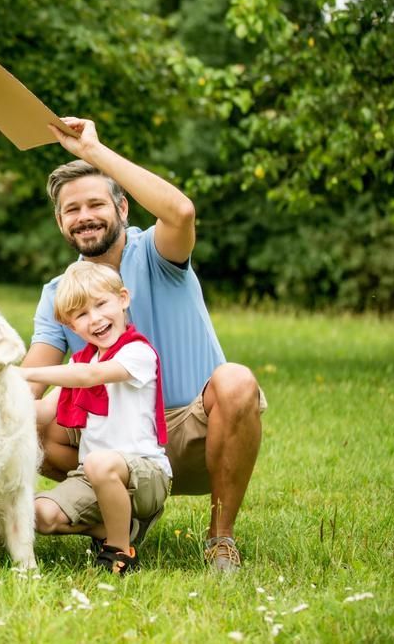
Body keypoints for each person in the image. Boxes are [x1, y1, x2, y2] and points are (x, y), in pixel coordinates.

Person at [23, 116, 267, 571]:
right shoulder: (61, 291)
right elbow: (29, 386)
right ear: (60, 221)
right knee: (28, 423)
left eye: (96, 204)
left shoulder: (158, 253)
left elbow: (182, 212)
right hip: (112, 441)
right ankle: (116, 521)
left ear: (123, 210)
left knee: (236, 381)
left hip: (192, 429)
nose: (84, 217)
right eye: (71, 210)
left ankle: (221, 538)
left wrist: (92, 152)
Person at [19, 261, 170, 575]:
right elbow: (44, 411)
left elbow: (89, 376)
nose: (96, 318)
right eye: (82, 315)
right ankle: (115, 527)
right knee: (37, 515)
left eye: (101, 304)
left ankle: (119, 552)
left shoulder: (137, 353)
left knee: (99, 462)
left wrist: (24, 372)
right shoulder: (82, 360)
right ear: (72, 327)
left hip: (146, 474)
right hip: (92, 477)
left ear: (123, 299)